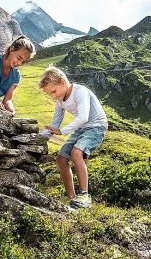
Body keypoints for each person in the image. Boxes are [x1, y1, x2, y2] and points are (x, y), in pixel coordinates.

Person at [38, 66, 108, 209]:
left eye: (53, 91)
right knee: (61, 158)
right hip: (81, 129)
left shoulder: (80, 92)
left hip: (96, 126)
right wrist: (39, 137)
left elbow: (83, 117)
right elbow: (55, 123)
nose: (53, 96)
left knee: (76, 153)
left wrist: (62, 131)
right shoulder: (60, 100)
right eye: (50, 94)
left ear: (63, 82)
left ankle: (84, 195)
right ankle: (71, 197)